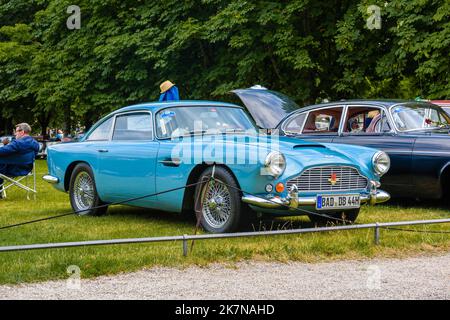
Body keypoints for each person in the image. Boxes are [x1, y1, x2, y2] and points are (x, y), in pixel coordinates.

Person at [0, 123, 40, 198]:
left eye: (16, 131)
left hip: (13, 169)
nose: (15, 134)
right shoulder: (35, 143)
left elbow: (2, 151)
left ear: (22, 132)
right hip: (27, 168)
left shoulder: (18, 143)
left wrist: (6, 146)